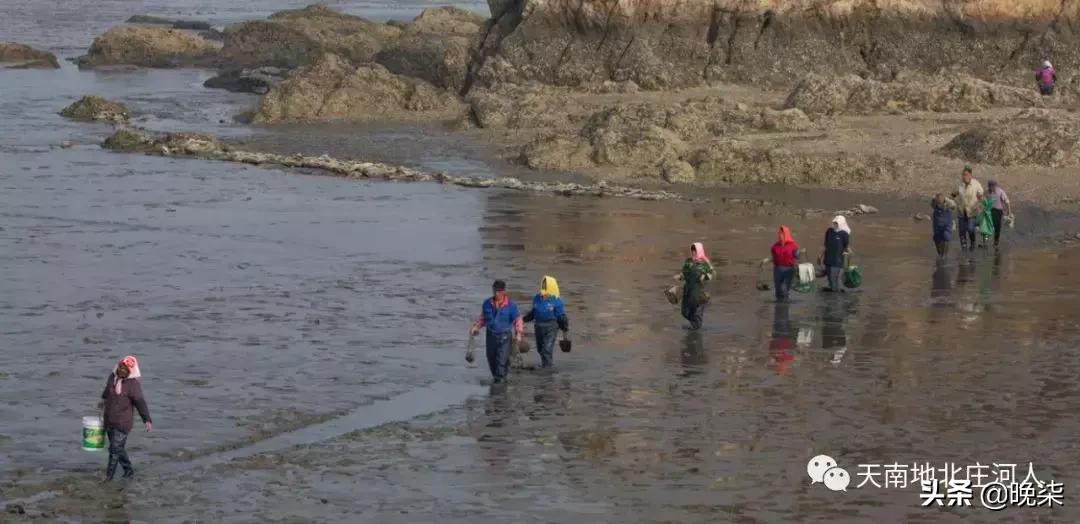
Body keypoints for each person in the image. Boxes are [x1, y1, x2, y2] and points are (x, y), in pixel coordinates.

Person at [98, 355, 152, 481]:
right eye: (120, 368)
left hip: (123, 423)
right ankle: (128, 470)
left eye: (124, 370)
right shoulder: (112, 377)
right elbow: (107, 391)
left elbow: (140, 402)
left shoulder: (133, 384)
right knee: (117, 447)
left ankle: (108, 478)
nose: (121, 371)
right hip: (109, 419)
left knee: (114, 450)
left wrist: (147, 419)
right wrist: (102, 401)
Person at [470, 280, 524, 384]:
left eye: (498, 291)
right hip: (490, 336)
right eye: (494, 290)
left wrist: (519, 334)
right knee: (492, 361)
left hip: (505, 337)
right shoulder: (487, 303)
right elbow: (483, 318)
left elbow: (518, 320)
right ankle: (499, 380)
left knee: (501, 362)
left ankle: (500, 386)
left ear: (503, 291)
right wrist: (476, 327)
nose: (496, 293)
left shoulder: (511, 305)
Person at [522, 276, 569, 368]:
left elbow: (561, 316)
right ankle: (546, 365)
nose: (543, 293)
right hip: (538, 326)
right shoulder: (536, 298)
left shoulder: (557, 301)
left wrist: (564, 328)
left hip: (551, 327)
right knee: (540, 349)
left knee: (547, 349)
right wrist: (522, 320)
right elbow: (533, 313)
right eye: (543, 287)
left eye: (546, 288)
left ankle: (547, 370)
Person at [673, 242, 716, 330]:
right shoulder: (688, 262)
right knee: (685, 312)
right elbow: (684, 273)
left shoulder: (704, 264)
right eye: (692, 250)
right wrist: (680, 277)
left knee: (696, 311)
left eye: (695, 250)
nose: (693, 252)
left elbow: (712, 274)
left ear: (699, 251)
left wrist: (705, 276)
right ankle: (695, 325)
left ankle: (696, 327)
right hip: (688, 290)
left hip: (699, 291)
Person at [951, 166, 983, 250]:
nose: (964, 176)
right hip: (962, 210)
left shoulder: (976, 183)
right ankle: (964, 246)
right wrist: (954, 202)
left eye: (966, 174)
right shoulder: (960, 185)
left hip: (972, 211)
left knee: (970, 228)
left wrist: (979, 204)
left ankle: (972, 242)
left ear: (970, 175)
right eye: (963, 175)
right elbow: (953, 194)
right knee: (961, 230)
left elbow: (981, 195)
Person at [821, 216, 851, 292]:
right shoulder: (829, 231)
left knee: (833, 278)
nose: (834, 224)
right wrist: (820, 256)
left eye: (836, 223)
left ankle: (835, 297)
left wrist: (848, 256)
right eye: (834, 223)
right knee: (829, 278)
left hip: (837, 260)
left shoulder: (844, 234)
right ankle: (833, 293)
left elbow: (846, 247)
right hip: (828, 258)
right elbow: (825, 245)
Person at [771, 226, 800, 301]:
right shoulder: (775, 246)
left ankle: (784, 306)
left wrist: (799, 253)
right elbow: (773, 258)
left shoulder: (793, 246)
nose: (780, 235)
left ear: (786, 234)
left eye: (782, 234)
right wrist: (765, 261)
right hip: (777, 270)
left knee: (784, 289)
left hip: (789, 270)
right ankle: (778, 309)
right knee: (778, 290)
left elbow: (797, 256)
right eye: (779, 233)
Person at [985, 180, 1012, 248]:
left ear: (995, 186)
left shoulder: (1000, 191)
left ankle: (996, 242)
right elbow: (983, 201)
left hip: (998, 211)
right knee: (987, 226)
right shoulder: (987, 192)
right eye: (990, 186)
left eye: (993, 186)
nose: (991, 188)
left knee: (997, 227)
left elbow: (1006, 201)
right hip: (989, 211)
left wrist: (1009, 211)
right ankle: (985, 242)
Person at [931, 193, 957, 258]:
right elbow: (932, 205)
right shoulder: (934, 202)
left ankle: (944, 255)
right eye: (938, 203)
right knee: (936, 238)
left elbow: (954, 207)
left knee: (946, 237)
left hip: (947, 223)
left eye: (940, 203)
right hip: (937, 223)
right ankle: (940, 252)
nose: (939, 204)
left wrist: (951, 206)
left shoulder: (948, 202)